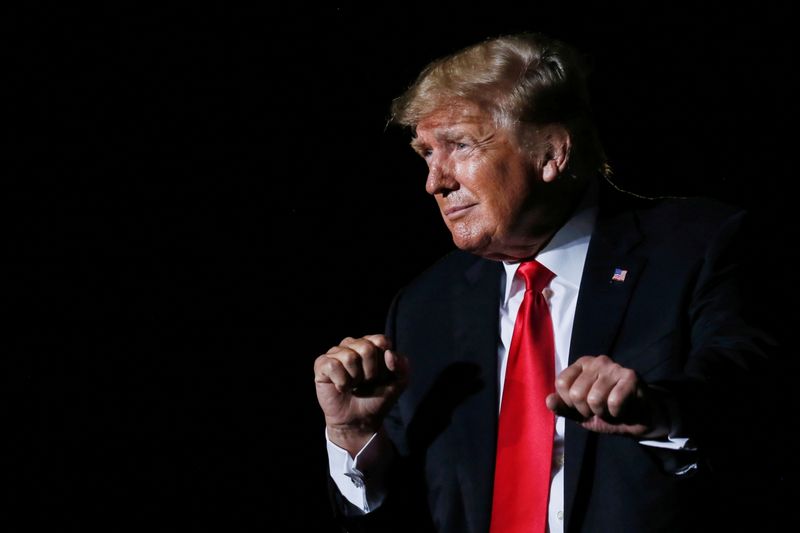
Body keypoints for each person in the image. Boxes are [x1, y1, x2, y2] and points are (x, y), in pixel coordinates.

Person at [313, 33, 773, 533]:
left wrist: (659, 411)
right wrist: (354, 433)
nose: (435, 182)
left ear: (551, 154)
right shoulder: (424, 305)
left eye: (461, 145)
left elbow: (753, 402)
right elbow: (410, 508)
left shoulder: (699, 247)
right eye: (425, 153)